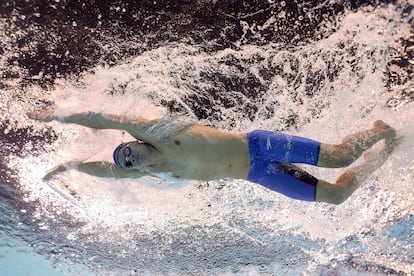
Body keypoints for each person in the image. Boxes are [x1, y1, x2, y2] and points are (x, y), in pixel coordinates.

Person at [29, 110, 397, 204]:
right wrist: (70, 166)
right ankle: (386, 153)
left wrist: (59, 116)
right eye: (126, 161)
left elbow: (102, 119)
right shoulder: (156, 170)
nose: (130, 158)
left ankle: (382, 129)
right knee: (335, 195)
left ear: (131, 141)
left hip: (258, 146)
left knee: (336, 157)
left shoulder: (158, 132)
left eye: (127, 150)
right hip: (259, 175)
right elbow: (107, 172)